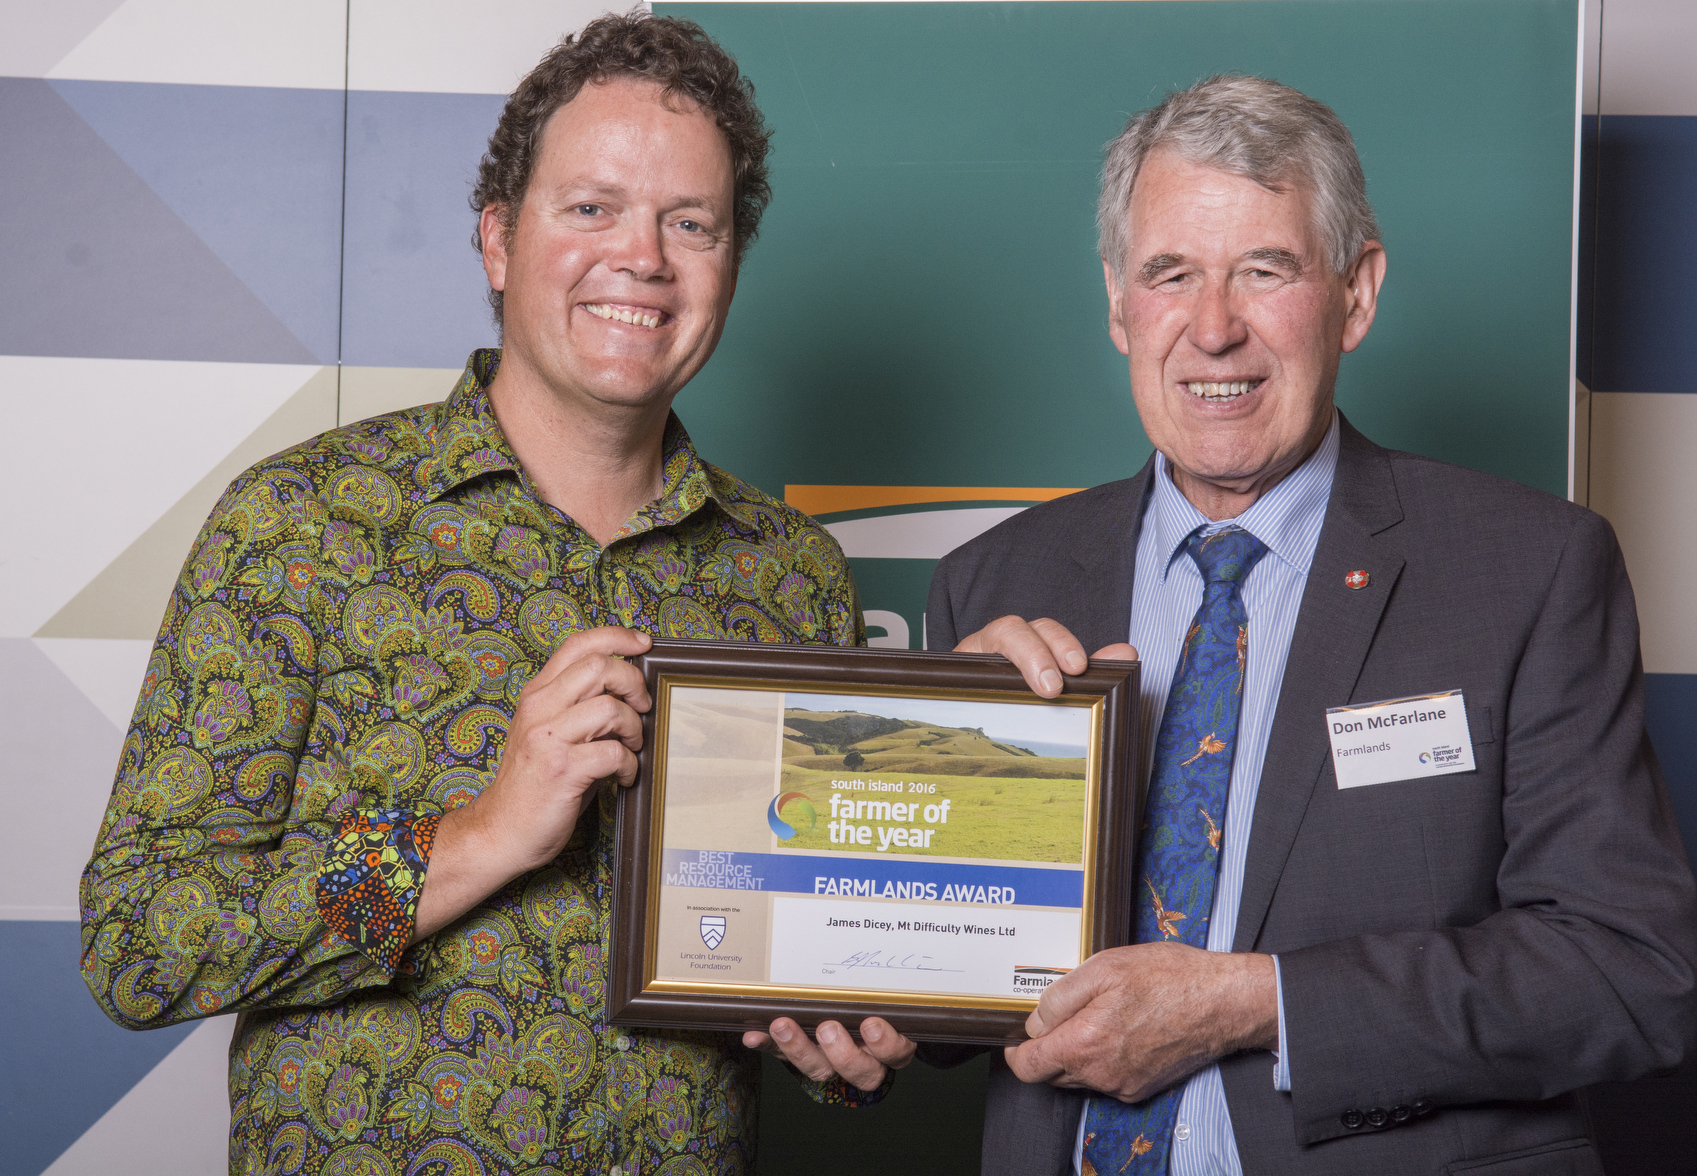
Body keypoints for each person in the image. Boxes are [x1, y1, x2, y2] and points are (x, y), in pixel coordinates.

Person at [79, 14, 909, 1174]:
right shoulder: (303, 525)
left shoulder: (788, 573)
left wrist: (848, 1036)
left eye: (691, 223)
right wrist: (472, 839)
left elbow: (816, 958)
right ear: (497, 241)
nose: (643, 257)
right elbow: (142, 939)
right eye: (591, 208)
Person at [928, 75, 1697, 1174]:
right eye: (1170, 274)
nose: (1212, 328)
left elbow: (1629, 972)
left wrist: (1256, 1002)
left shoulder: (1525, 571)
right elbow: (934, 990)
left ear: (1355, 292)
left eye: (1263, 270)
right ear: (1116, 303)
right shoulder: (993, 583)